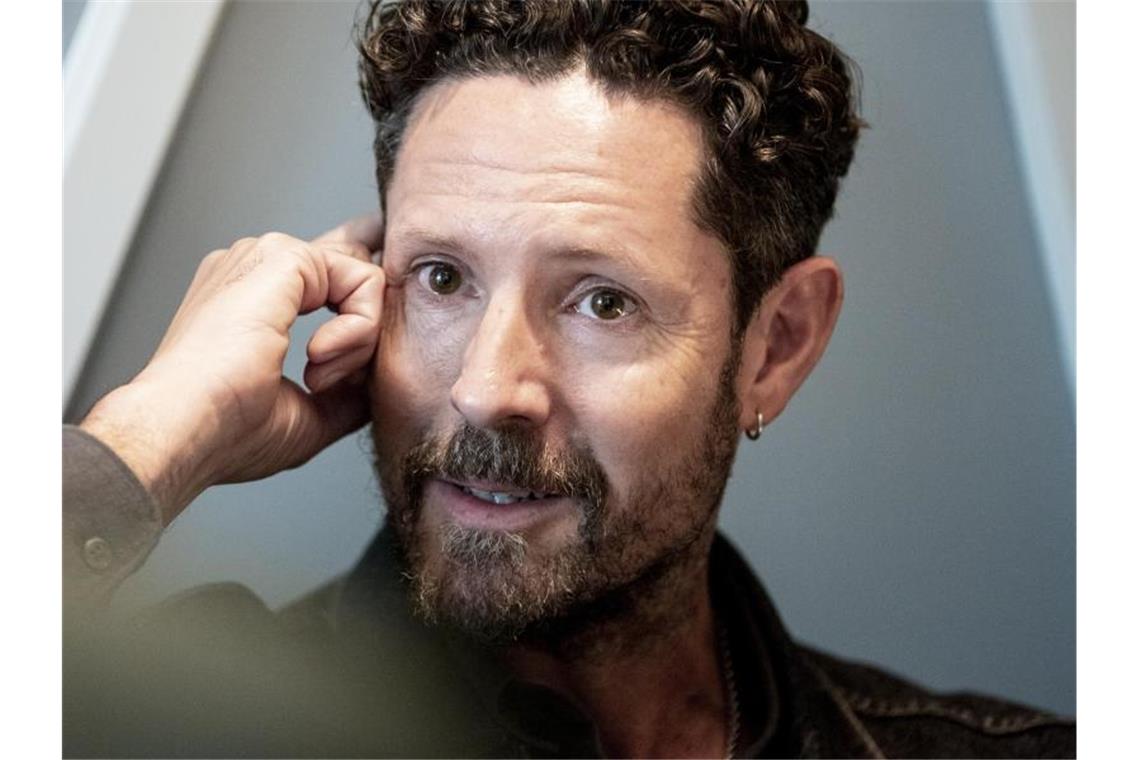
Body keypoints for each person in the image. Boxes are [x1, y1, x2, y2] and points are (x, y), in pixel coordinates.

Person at [63, 1, 1075, 757]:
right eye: (443, 278)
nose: (485, 388)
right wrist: (147, 441)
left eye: (602, 302)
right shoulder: (164, 731)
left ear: (776, 346)